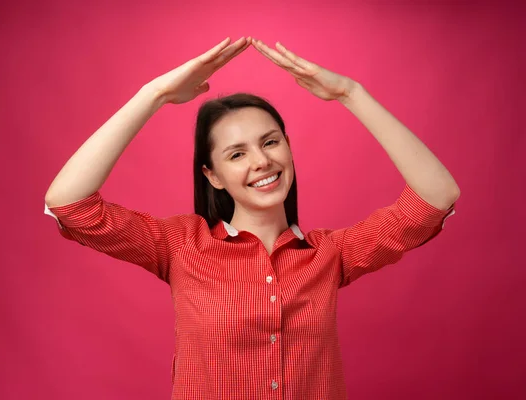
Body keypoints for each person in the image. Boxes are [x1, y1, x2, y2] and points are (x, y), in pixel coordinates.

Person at [44, 36, 460, 400]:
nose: (262, 161)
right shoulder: (180, 246)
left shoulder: (329, 254)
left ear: (289, 149)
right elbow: (70, 204)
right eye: (237, 154)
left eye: (271, 142)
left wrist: (351, 93)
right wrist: (154, 94)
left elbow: (436, 197)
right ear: (213, 176)